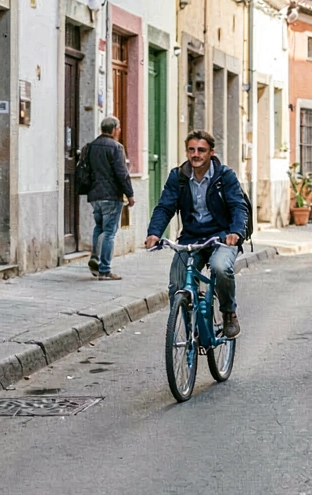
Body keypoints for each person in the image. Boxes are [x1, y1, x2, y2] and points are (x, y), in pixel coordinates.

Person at [145, 130, 250, 339]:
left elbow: (238, 206)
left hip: (221, 236)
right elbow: (165, 207)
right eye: (191, 150)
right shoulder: (179, 177)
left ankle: (229, 313)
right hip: (192, 237)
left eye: (201, 150)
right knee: (177, 283)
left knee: (220, 268)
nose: (196, 154)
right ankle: (189, 319)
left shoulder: (224, 176)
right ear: (186, 151)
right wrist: (154, 233)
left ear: (211, 152)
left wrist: (236, 232)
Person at [85, 116, 135, 280]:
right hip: (111, 196)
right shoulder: (116, 147)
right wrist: (130, 194)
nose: (119, 131)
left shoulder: (91, 146)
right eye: (119, 128)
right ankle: (105, 269)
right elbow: (122, 174)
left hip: (94, 195)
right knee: (109, 232)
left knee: (99, 227)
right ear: (114, 129)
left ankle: (95, 257)